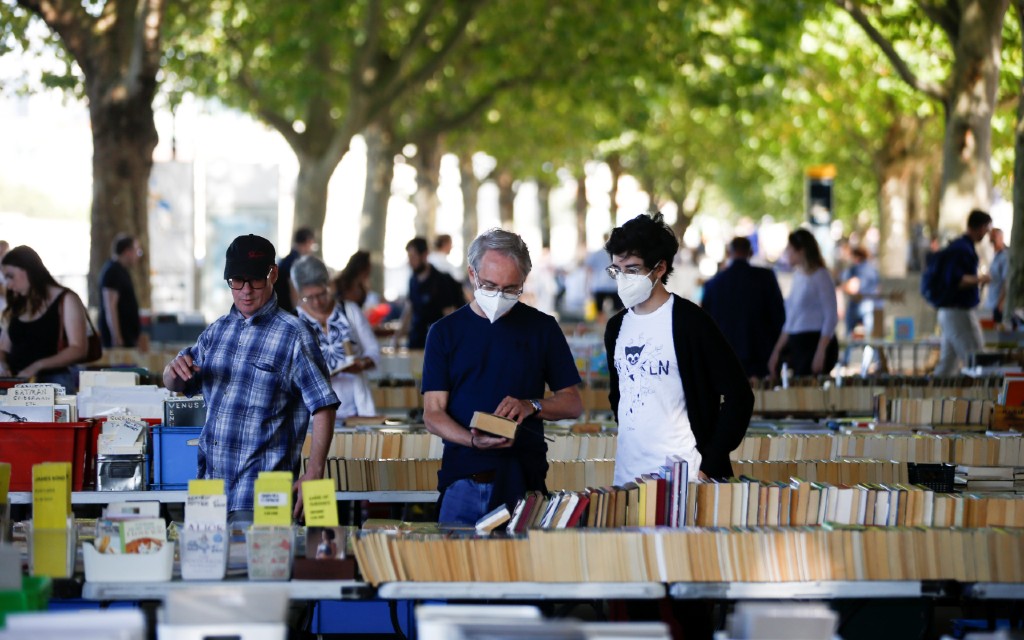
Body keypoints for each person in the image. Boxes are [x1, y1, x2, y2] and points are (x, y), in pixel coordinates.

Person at [163, 234, 339, 523]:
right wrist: (172, 372)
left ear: (273, 274)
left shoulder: (295, 335)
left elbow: (324, 405)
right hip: (209, 490)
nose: (245, 291)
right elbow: (176, 382)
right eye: (236, 281)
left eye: (255, 280)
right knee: (205, 568)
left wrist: (314, 471)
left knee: (257, 569)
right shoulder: (215, 333)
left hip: (262, 493)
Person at [421, 228, 583, 525]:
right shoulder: (444, 332)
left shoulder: (542, 328)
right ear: (472, 274)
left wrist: (531, 405)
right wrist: (471, 441)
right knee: (454, 568)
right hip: (462, 478)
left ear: (524, 282)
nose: (499, 296)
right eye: (490, 285)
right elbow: (432, 414)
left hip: (524, 480)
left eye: (511, 289)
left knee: (522, 570)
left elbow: (572, 403)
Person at [603, 213, 754, 486]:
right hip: (628, 475)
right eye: (616, 269)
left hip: (687, 476)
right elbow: (619, 396)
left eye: (633, 270)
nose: (623, 278)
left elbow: (739, 395)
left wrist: (708, 464)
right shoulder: (616, 327)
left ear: (659, 268)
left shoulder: (690, 322)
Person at [293, 255, 380, 423]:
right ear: (299, 293)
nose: (317, 302)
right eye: (309, 297)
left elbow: (373, 350)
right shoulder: (294, 321)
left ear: (329, 286)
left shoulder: (349, 311)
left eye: (321, 294)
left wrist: (362, 364)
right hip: (313, 412)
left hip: (356, 407)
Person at [0, 246, 89, 391]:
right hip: (16, 382)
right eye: (5, 279)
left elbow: (78, 349)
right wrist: (3, 366)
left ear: (27, 269)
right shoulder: (17, 303)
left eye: (10, 276)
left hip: (54, 382)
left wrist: (37, 366)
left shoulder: (66, 299)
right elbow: (3, 348)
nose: (8, 285)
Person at [701, 236, 785, 379]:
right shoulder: (766, 278)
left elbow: (706, 322)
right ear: (750, 252)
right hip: (761, 353)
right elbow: (779, 316)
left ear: (729, 253)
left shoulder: (714, 284)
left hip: (726, 354)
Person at [768, 229, 840, 377]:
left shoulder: (821, 276)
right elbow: (791, 319)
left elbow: (831, 316)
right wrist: (777, 350)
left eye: (790, 249)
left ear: (801, 251)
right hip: (798, 344)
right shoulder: (798, 276)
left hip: (813, 342)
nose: (787, 253)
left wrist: (820, 352)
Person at [932, 210, 993, 376]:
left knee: (948, 365)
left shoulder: (960, 246)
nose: (987, 234)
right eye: (986, 229)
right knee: (976, 360)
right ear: (980, 227)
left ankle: (934, 396)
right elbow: (956, 279)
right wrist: (981, 279)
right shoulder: (962, 249)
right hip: (958, 312)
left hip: (949, 312)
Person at [394, 237, 464, 350]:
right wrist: (397, 336)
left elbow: (449, 313)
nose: (410, 261)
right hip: (416, 341)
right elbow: (409, 309)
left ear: (424, 255)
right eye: (409, 257)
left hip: (436, 343)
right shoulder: (412, 280)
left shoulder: (441, 281)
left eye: (413, 257)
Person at [98, 233, 143, 348]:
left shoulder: (122, 271)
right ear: (127, 251)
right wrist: (116, 337)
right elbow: (110, 307)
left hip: (127, 337)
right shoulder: (112, 271)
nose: (138, 255)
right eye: (137, 251)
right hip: (119, 340)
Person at [274, 227, 317, 315]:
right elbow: (293, 289)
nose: (311, 249)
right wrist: (298, 312)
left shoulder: (287, 259)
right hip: (287, 309)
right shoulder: (296, 261)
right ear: (308, 241)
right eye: (312, 244)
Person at [585, 235, 622, 319]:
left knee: (600, 311)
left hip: (599, 285)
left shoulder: (596, 254)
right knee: (618, 310)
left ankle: (602, 329)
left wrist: (588, 286)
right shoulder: (615, 253)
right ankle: (617, 327)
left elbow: (589, 271)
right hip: (612, 285)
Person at [984, 227, 1008, 323]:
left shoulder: (1005, 257)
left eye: (994, 237)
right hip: (990, 303)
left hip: (998, 305)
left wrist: (1000, 303)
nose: (992, 241)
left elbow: (1006, 281)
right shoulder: (995, 256)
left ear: (1001, 238)